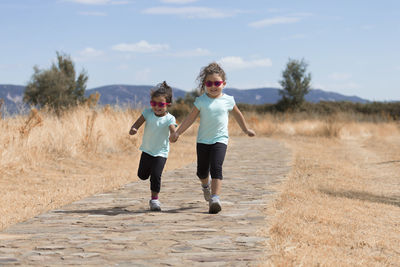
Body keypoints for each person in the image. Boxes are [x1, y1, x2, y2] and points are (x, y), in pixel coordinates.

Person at [170, 62, 255, 214]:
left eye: (217, 83)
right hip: (203, 140)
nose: (213, 86)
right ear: (204, 85)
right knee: (202, 172)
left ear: (224, 84)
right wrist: (177, 132)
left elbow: (238, 115)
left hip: (220, 139)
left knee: (216, 167)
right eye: (209, 83)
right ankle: (205, 186)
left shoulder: (228, 100)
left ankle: (215, 198)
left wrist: (246, 129)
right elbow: (190, 119)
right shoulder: (201, 101)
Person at [129, 81, 177, 211]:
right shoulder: (147, 113)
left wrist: (174, 136)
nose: (157, 107)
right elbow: (137, 124)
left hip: (161, 152)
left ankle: (154, 200)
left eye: (161, 104)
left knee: (156, 175)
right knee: (142, 175)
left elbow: (173, 131)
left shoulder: (169, 119)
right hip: (147, 150)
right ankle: (150, 172)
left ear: (168, 104)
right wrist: (134, 129)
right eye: (153, 103)